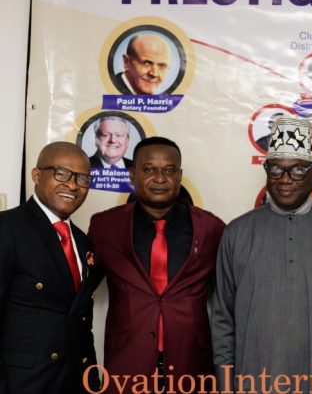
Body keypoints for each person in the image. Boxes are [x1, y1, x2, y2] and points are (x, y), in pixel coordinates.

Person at [211, 118, 312, 392]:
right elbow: (223, 318)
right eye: (276, 169)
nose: (284, 179)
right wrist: (225, 386)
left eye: (297, 170)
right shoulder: (237, 233)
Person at [88, 136, 225, 393]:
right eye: (149, 169)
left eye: (169, 170)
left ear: (179, 176)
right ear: (132, 175)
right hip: (128, 364)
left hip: (191, 365)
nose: (160, 178)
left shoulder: (211, 228)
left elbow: (229, 301)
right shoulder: (105, 227)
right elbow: (80, 292)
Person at [0, 142, 99, 393]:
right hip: (24, 384)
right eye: (61, 173)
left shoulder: (81, 240)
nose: (73, 185)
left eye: (82, 178)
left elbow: (79, 319)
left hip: (76, 381)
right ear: (36, 175)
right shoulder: (7, 228)